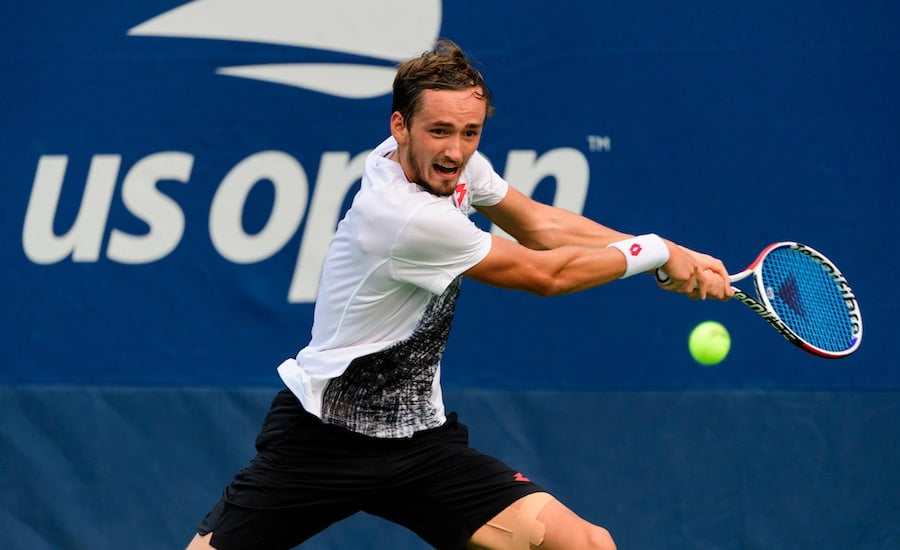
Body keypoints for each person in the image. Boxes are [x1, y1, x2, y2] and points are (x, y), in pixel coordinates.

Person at [187, 39, 732, 550]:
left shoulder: (455, 167)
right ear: (400, 126)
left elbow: (541, 224)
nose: (455, 151)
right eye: (440, 131)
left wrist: (670, 250)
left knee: (588, 544)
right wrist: (654, 254)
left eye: (469, 133)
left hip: (421, 446)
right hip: (322, 441)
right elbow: (546, 275)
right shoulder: (403, 217)